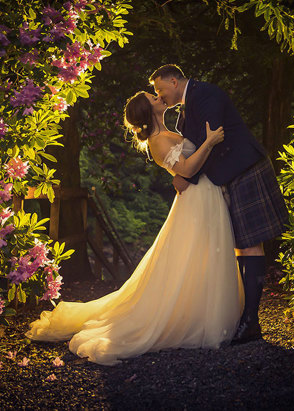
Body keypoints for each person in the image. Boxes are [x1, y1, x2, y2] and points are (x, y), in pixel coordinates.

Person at [26, 92, 244, 365]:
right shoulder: (157, 142)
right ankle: (201, 319)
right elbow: (186, 169)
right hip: (196, 202)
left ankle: (204, 312)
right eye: (153, 97)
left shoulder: (172, 130)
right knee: (195, 255)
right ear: (147, 110)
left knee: (203, 254)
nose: (159, 96)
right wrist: (210, 143)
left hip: (205, 195)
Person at [147, 65, 288, 344]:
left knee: (249, 243)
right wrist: (184, 173)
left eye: (160, 89)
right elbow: (199, 148)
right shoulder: (186, 110)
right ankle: (246, 319)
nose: (160, 96)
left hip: (245, 168)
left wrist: (187, 176)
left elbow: (211, 141)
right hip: (228, 176)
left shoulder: (206, 94)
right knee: (241, 244)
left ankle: (250, 321)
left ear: (173, 81)